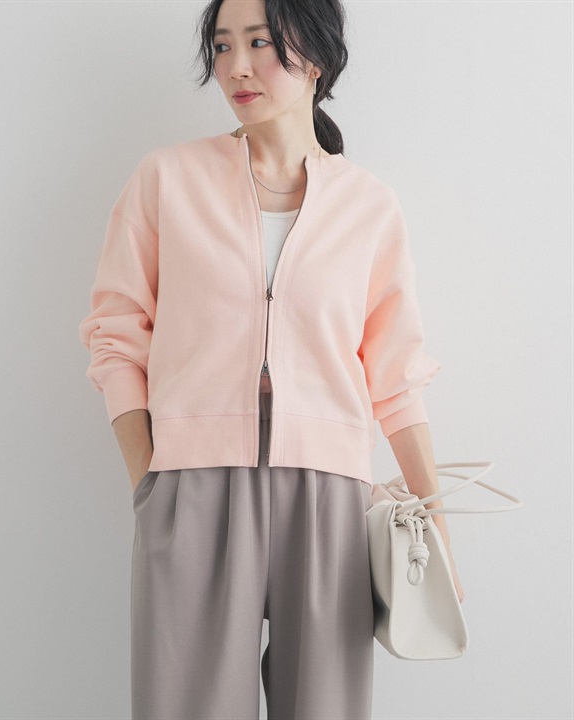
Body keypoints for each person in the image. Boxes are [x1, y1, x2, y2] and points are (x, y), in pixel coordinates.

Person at [79, 0, 464, 718]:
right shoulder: (167, 179)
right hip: (191, 490)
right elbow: (116, 332)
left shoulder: (369, 207)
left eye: (259, 43)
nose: (237, 67)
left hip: (330, 502)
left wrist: (436, 525)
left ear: (314, 56)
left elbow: (396, 378)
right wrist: (150, 483)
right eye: (223, 46)